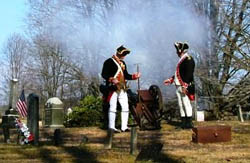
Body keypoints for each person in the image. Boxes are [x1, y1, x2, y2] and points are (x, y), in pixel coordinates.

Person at [101, 45, 141, 132]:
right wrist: (112, 79)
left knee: (125, 106)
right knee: (113, 107)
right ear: (118, 53)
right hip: (113, 88)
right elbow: (104, 74)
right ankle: (111, 127)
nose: (124, 56)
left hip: (122, 88)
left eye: (125, 54)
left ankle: (124, 127)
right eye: (124, 53)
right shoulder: (108, 62)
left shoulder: (123, 63)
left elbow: (126, 75)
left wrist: (134, 76)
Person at [164, 42, 195, 129]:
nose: (176, 52)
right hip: (178, 85)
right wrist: (171, 80)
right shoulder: (182, 59)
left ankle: (189, 123)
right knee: (181, 104)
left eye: (177, 50)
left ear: (180, 50)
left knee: (186, 103)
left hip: (183, 86)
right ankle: (183, 122)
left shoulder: (188, 59)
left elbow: (188, 74)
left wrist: (185, 86)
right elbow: (179, 73)